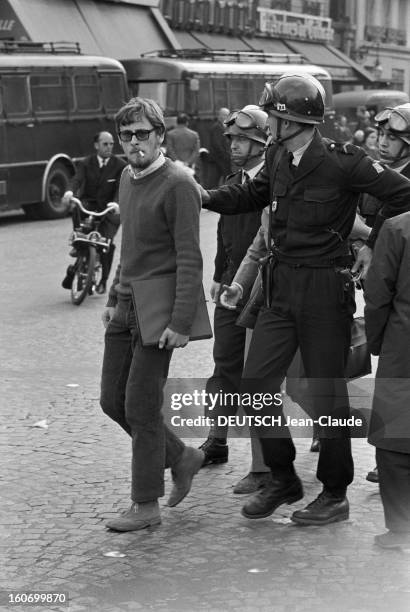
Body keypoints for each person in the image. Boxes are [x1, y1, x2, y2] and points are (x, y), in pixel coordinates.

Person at [200, 73, 410, 526]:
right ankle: (282, 477)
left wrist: (373, 241)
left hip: (322, 290)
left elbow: (403, 193)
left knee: (327, 395)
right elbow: (252, 194)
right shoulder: (276, 155)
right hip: (279, 288)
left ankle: (335, 493)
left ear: (291, 119)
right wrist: (206, 197)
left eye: (272, 114)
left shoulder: (343, 161)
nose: (267, 123)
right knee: (255, 386)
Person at [99, 97, 204, 532]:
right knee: (112, 401)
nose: (135, 142)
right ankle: (183, 456)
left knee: (141, 408)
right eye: (127, 135)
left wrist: (180, 322)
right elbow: (131, 246)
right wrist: (110, 295)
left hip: (157, 311)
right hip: (125, 306)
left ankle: (146, 505)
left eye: (143, 133)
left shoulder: (179, 182)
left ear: (160, 135)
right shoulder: (126, 176)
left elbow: (189, 258)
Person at [199, 105, 273, 493]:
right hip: (233, 285)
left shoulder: (275, 183)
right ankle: (217, 439)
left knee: (260, 376)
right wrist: (218, 275)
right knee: (224, 363)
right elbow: (224, 233)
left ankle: (265, 466)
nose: (235, 145)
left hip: (269, 289)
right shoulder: (232, 180)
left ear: (263, 143)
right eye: (232, 139)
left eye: (243, 139)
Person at [359, 103, 410, 483]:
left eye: (393, 137)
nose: (383, 143)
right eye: (381, 135)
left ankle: (393, 460)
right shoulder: (384, 175)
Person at [364, 211, 410, 551]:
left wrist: (379, 342)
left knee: (394, 440)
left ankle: (401, 529)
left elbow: (377, 295)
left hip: (403, 344)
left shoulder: (398, 228)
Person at [61, 131, 126, 294]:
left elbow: (120, 187)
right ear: (96, 145)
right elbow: (77, 180)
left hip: (110, 209)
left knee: (106, 244)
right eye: (105, 144)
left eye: (112, 144)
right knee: (77, 209)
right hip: (88, 205)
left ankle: (103, 281)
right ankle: (77, 243)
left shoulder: (120, 165)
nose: (109, 147)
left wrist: (117, 203)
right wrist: (69, 192)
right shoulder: (85, 163)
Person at [206, 107, 232, 188]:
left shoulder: (227, 127)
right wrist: (226, 155)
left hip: (224, 159)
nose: (226, 117)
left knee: (227, 180)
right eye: (224, 115)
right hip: (217, 159)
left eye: (228, 115)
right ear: (219, 116)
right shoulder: (216, 127)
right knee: (213, 182)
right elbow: (217, 144)